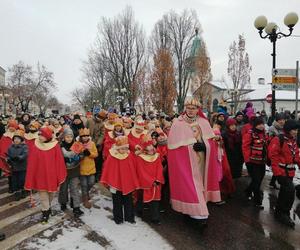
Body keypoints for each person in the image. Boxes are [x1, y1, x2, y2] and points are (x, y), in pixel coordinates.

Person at [168, 98, 221, 226]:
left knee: (201, 182)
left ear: (198, 110)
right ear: (185, 108)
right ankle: (197, 211)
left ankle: (198, 207)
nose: (191, 111)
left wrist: (205, 147)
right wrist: (187, 150)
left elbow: (211, 143)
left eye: (194, 108)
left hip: (202, 159)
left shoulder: (203, 122)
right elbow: (174, 148)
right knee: (191, 184)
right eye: (189, 108)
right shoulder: (177, 123)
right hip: (186, 163)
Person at [25, 126, 67, 224]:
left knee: (51, 194)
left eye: (42, 136)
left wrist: (58, 174)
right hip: (40, 175)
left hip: (52, 175)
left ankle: (47, 207)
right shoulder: (36, 144)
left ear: (47, 136)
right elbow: (32, 161)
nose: (40, 137)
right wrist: (32, 174)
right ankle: (45, 213)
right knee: (43, 195)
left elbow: (59, 161)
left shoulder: (55, 145)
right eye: (39, 135)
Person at [268, 119, 300, 228]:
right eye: (293, 130)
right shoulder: (279, 139)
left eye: (296, 130)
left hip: (290, 172)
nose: (295, 132)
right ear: (288, 130)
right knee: (290, 191)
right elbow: (273, 156)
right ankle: (283, 213)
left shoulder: (293, 141)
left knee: (284, 193)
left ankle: (280, 212)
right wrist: (277, 173)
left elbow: (296, 156)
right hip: (281, 172)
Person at [100, 136, 139, 224]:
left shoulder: (129, 155)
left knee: (128, 201)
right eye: (122, 149)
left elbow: (133, 168)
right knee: (117, 202)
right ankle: (118, 218)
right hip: (115, 184)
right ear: (117, 148)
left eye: (126, 148)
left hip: (127, 183)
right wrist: (110, 182)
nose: (124, 150)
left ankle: (129, 218)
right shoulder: (112, 156)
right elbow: (108, 170)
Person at [135, 134, 165, 224]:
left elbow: (159, 169)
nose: (151, 151)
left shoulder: (157, 156)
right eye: (149, 150)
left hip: (156, 182)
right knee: (141, 198)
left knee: (155, 201)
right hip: (145, 183)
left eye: (152, 149)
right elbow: (141, 172)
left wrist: (157, 180)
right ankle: (138, 210)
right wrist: (150, 181)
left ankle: (155, 218)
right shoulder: (140, 158)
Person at [242, 117, 267, 209]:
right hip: (253, 161)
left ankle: (248, 191)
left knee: (260, 178)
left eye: (262, 124)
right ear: (255, 125)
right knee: (256, 180)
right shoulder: (250, 134)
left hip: (262, 161)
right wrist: (247, 161)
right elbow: (245, 147)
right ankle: (257, 201)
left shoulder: (264, 134)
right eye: (259, 124)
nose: (261, 126)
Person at [59, 128, 84, 218]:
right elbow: (56, 157)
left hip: (74, 170)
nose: (69, 138)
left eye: (71, 137)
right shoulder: (60, 146)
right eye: (67, 137)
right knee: (63, 189)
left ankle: (76, 207)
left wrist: (79, 157)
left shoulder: (76, 145)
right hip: (64, 171)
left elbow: (82, 154)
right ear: (64, 137)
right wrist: (63, 160)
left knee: (74, 189)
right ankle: (63, 202)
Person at [77, 128, 98, 208]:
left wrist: (89, 153)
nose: (85, 137)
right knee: (84, 185)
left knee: (91, 183)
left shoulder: (92, 144)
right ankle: (85, 198)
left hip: (91, 167)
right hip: (82, 168)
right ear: (81, 137)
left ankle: (86, 193)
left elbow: (96, 154)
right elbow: (75, 154)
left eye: (86, 136)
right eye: (83, 136)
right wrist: (80, 155)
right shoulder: (77, 144)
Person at [7, 130, 28, 201]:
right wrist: (8, 159)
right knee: (14, 181)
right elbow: (8, 155)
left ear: (21, 140)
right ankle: (17, 193)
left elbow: (25, 154)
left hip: (22, 167)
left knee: (22, 180)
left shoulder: (24, 147)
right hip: (14, 167)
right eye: (15, 139)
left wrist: (19, 157)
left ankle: (23, 191)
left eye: (18, 139)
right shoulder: (10, 147)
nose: (16, 140)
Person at [86, 111, 106, 181]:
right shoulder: (89, 121)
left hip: (97, 144)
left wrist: (98, 143)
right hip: (88, 142)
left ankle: (96, 174)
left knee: (97, 160)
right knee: (89, 158)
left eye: (102, 119)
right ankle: (89, 173)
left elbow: (102, 134)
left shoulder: (102, 124)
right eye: (99, 117)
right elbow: (85, 130)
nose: (100, 119)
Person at [268, 112, 286, 189]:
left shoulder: (285, 128)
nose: (282, 121)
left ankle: (272, 182)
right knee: (276, 165)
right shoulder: (272, 128)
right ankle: (277, 182)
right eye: (280, 120)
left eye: (283, 120)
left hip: (283, 150)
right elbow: (270, 139)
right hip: (274, 149)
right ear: (277, 120)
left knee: (280, 166)